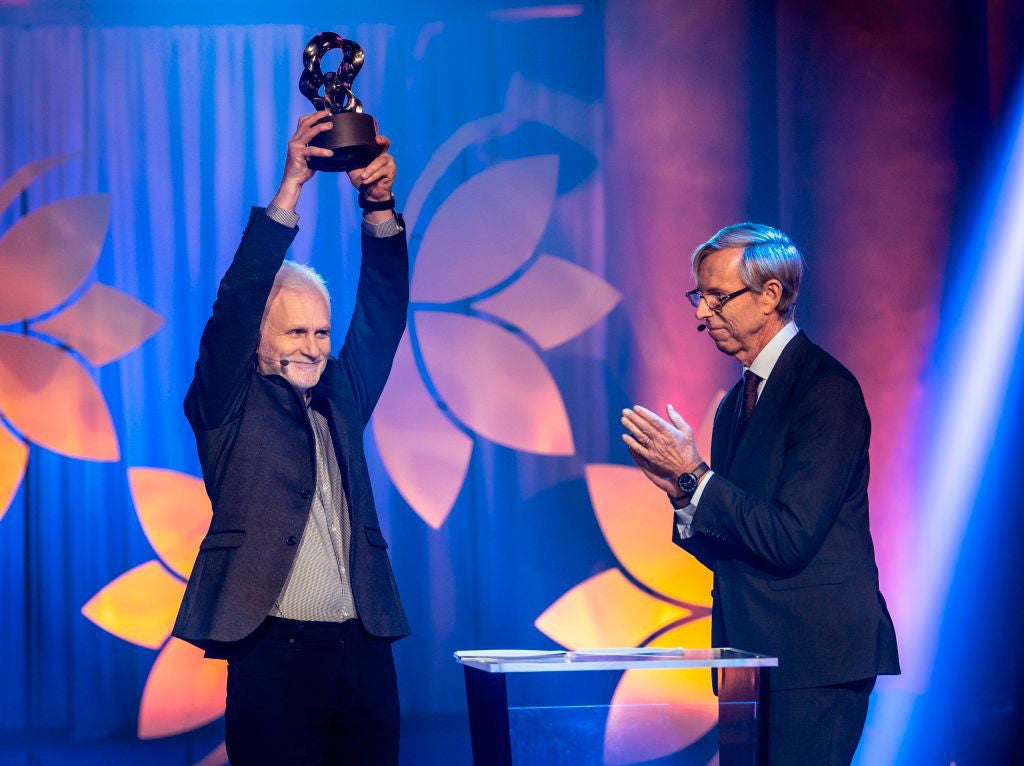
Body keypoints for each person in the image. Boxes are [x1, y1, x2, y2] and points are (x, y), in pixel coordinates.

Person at [172, 110, 410, 765]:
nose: (312, 346)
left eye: (320, 332)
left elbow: (384, 314)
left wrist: (379, 206)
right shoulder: (227, 402)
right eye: (293, 332)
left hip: (363, 648)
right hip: (274, 652)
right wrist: (290, 191)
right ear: (258, 342)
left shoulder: (343, 392)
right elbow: (238, 300)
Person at [620, 223, 899, 765]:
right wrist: (683, 493)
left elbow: (788, 539)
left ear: (771, 295)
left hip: (813, 660)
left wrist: (697, 476)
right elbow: (733, 545)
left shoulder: (825, 390)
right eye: (698, 297)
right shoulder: (736, 401)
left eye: (716, 297)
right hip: (748, 657)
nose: (702, 314)